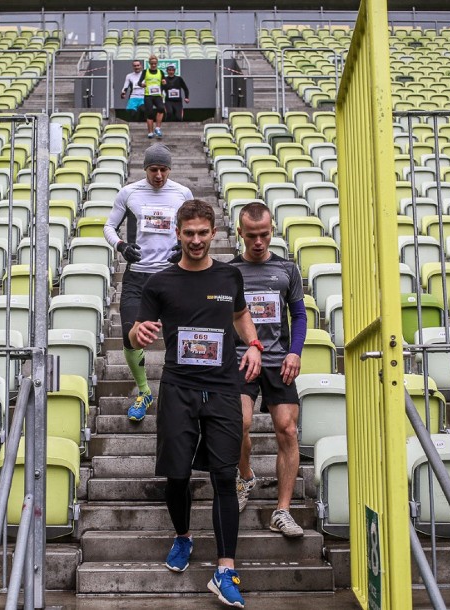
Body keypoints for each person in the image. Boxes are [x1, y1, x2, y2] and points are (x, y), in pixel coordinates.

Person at [129, 199, 262, 609]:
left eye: (203, 233)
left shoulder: (229, 275)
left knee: (224, 477)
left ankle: (224, 570)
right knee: (177, 476)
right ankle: (183, 536)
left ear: (214, 233)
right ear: (177, 233)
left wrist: (254, 344)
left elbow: (240, 315)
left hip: (223, 388)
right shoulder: (159, 283)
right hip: (179, 389)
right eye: (189, 233)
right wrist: (139, 333)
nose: (197, 240)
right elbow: (135, 334)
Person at [230, 202, 307, 538]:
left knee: (287, 430)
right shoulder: (229, 272)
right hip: (240, 359)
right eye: (251, 236)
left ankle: (283, 511)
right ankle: (245, 475)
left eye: (264, 234)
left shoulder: (287, 270)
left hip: (279, 361)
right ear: (240, 233)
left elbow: (300, 316)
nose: (258, 241)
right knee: (239, 423)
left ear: (272, 230)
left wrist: (295, 353)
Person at [103, 144, 192, 422]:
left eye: (164, 169)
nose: (159, 175)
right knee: (130, 336)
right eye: (153, 169)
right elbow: (108, 226)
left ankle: (178, 393)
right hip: (137, 276)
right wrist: (121, 246)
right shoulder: (129, 192)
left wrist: (184, 247)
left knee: (179, 339)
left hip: (171, 276)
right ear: (145, 168)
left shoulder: (181, 193)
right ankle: (144, 392)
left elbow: (194, 225)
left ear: (170, 169)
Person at [137, 55, 166, 139]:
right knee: (149, 113)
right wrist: (142, 85)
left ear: (157, 63)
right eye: (152, 63)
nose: (153, 65)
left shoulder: (160, 72)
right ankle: (150, 132)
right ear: (149, 63)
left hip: (157, 95)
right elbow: (139, 82)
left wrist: (164, 83)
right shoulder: (145, 72)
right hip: (148, 95)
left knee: (161, 108)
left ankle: (157, 128)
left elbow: (163, 82)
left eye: (155, 63)